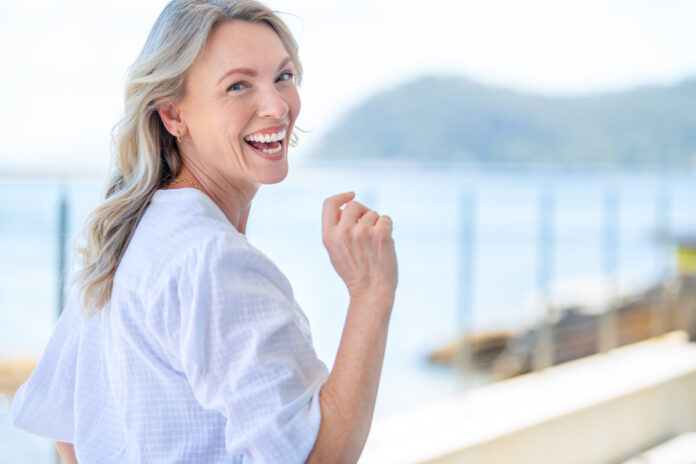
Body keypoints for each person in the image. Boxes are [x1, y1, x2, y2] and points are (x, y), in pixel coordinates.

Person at [11, 1, 398, 462]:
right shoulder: (214, 259)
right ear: (173, 115)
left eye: (283, 76)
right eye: (238, 85)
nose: (276, 106)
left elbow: (67, 422)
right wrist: (370, 292)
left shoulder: (131, 230)